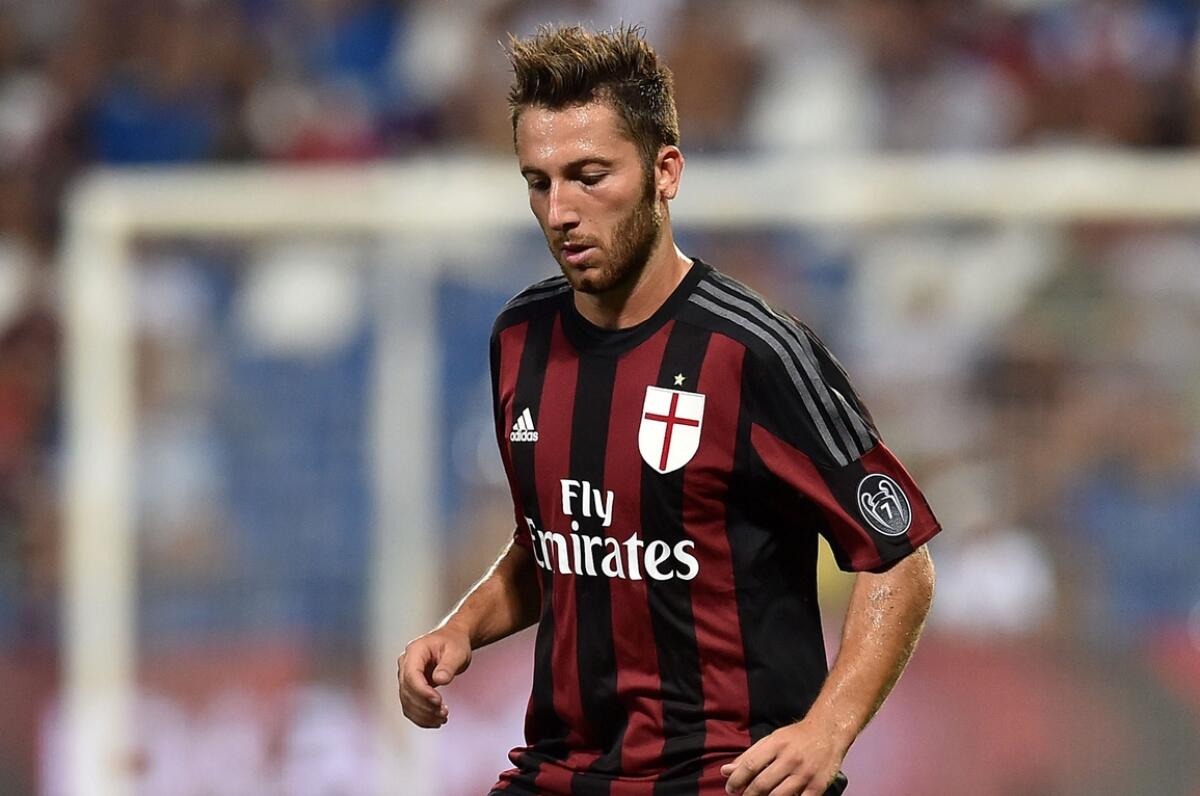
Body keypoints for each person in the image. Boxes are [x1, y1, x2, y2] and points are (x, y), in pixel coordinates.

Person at [398, 24, 939, 796]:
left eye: (589, 175)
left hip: (724, 778)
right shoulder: (520, 337)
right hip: (563, 770)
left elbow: (901, 562)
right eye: (539, 182)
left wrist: (828, 729)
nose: (561, 211)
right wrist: (462, 626)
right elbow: (553, 542)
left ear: (666, 172)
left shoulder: (753, 352)